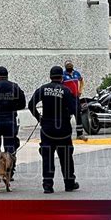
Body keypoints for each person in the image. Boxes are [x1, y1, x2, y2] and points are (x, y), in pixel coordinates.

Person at [28, 66, 80, 194]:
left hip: (47, 129)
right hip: (63, 129)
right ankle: (69, 183)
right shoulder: (66, 90)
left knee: (47, 157)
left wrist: (39, 118)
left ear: (50, 76)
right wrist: (79, 131)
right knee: (66, 157)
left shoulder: (43, 89)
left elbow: (31, 104)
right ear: (61, 77)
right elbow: (76, 110)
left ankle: (47, 185)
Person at [63, 60, 88, 141]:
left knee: (78, 115)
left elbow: (81, 81)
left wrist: (80, 91)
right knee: (67, 116)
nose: (69, 67)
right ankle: (65, 134)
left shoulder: (76, 73)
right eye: (68, 66)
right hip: (67, 99)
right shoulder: (63, 75)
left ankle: (80, 134)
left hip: (76, 98)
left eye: (70, 65)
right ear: (66, 67)